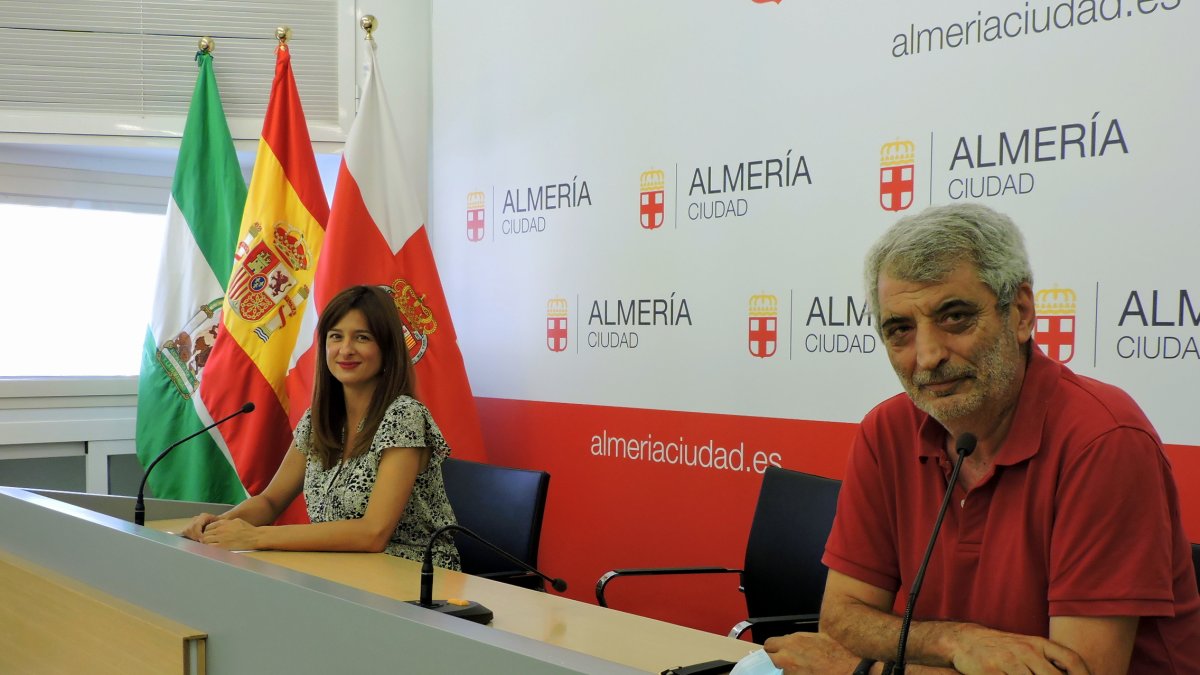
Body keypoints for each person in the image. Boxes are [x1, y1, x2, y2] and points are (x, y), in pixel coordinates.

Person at [763, 204, 1200, 674]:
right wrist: (956, 641)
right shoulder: (885, 430)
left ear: (1021, 313)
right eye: (900, 330)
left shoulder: (1105, 441)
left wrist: (861, 671)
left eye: (954, 317)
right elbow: (843, 617)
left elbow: (1078, 673)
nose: (927, 356)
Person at [182, 285, 460, 570]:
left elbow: (373, 533)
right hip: (340, 568)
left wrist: (256, 536)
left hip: (414, 573)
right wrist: (216, 526)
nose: (346, 349)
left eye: (362, 338)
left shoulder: (403, 416)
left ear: (387, 348)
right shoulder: (319, 420)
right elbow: (269, 502)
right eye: (336, 337)